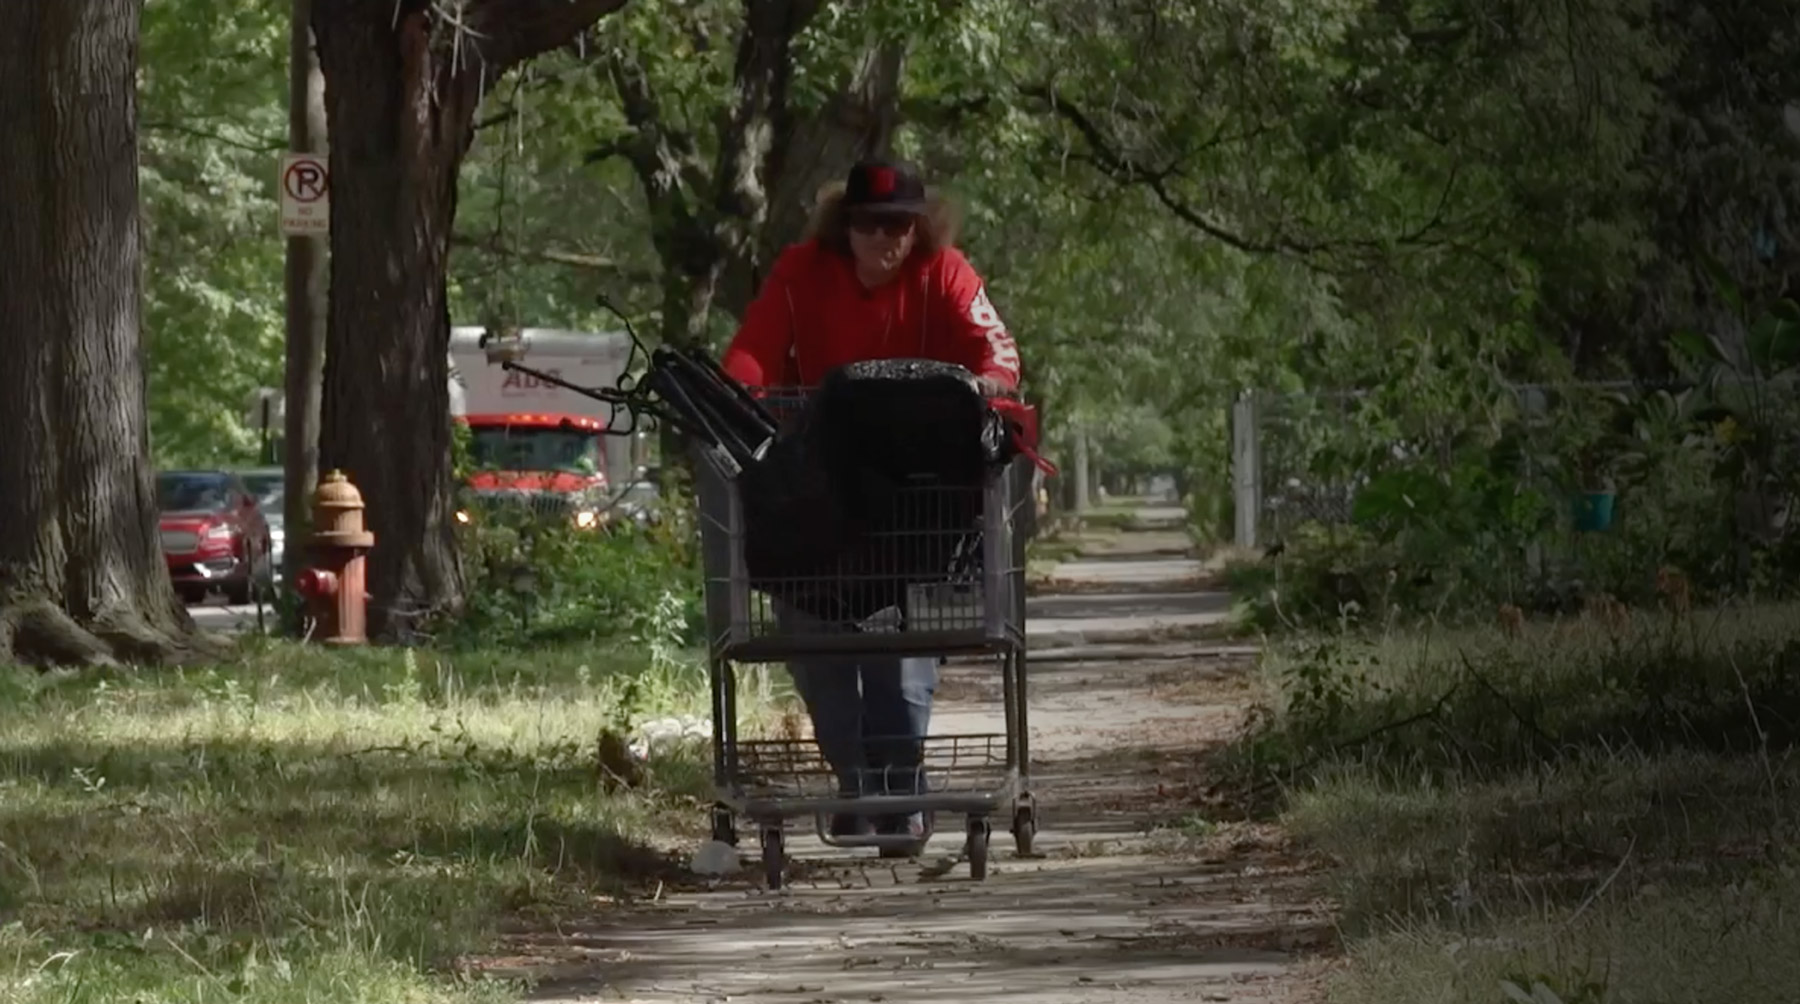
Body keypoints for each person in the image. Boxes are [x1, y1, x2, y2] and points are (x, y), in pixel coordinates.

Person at [720, 158, 1023, 854]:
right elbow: (752, 355)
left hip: (913, 498)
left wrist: (986, 383)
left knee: (903, 654)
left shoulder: (945, 272)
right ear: (844, 227)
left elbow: (997, 348)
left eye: (901, 227)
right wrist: (737, 398)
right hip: (819, 498)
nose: (886, 241)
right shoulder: (800, 273)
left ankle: (900, 789)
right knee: (815, 645)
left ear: (921, 230)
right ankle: (857, 784)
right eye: (870, 225)